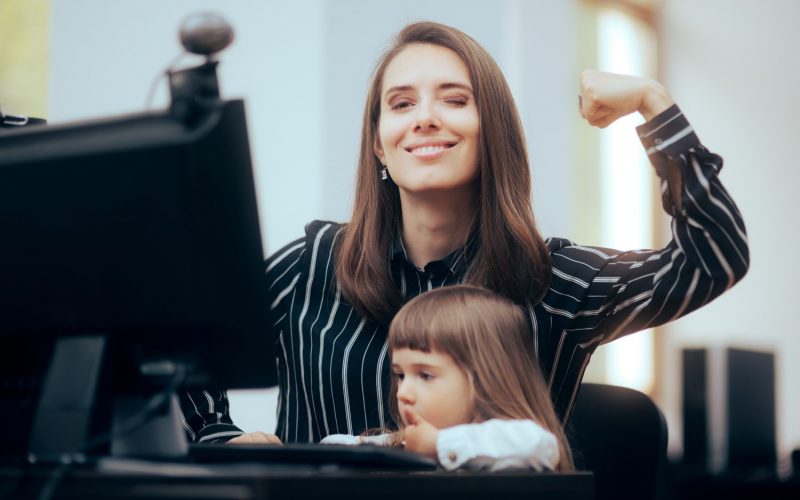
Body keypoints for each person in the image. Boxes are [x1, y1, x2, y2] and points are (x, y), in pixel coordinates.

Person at [180, 21, 749, 445]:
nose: (425, 117)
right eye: (401, 104)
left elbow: (713, 259)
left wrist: (653, 103)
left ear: (491, 131)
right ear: (380, 143)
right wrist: (218, 434)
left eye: (454, 99)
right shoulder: (313, 263)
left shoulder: (556, 279)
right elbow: (182, 344)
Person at [320, 285, 573, 472]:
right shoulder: (406, 443)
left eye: (425, 375)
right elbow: (345, 446)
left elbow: (539, 444)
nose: (403, 392)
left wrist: (439, 444)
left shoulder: (515, 444)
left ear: (485, 379)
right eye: (400, 375)